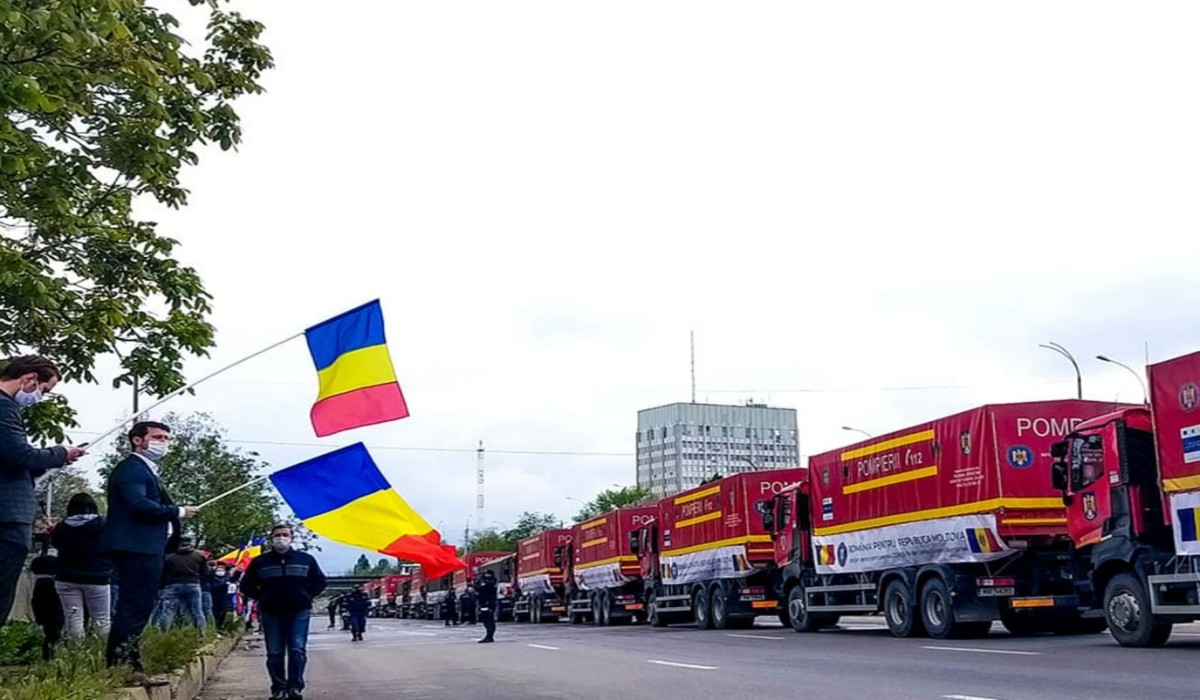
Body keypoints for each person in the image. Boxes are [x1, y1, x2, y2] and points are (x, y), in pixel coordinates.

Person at [100, 420, 199, 671]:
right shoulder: (131, 469)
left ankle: (127, 660)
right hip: (136, 547)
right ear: (137, 440)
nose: (163, 443)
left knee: (139, 605)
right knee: (135, 605)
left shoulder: (145, 470)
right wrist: (179, 511)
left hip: (146, 547)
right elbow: (138, 505)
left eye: (166, 438)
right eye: (158, 437)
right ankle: (122, 663)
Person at [0, 355, 86, 627]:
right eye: (44, 390)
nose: (40, 396)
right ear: (29, 379)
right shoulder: (4, 408)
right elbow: (19, 455)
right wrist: (60, 453)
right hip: (7, 517)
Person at [239, 524, 326, 700]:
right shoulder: (260, 562)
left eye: (285, 534)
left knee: (297, 649)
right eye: (277, 535)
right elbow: (246, 585)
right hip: (271, 611)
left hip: (298, 611)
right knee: (275, 652)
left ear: (292, 537)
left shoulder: (305, 559)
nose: (281, 538)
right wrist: (262, 597)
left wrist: (306, 595)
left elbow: (320, 581)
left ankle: (295, 687)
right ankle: (278, 688)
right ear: (272, 538)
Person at [51, 493, 113, 637]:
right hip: (97, 577)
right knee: (101, 619)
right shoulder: (103, 524)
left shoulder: (61, 526)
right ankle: (102, 652)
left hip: (66, 577)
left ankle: (75, 651)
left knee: (73, 618)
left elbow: (57, 544)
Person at [154, 536, 207, 632]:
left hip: (172, 585)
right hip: (193, 585)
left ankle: (163, 634)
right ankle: (201, 633)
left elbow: (162, 574)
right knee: (197, 611)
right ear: (190, 542)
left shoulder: (169, 556)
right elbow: (204, 573)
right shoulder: (200, 555)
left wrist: (161, 587)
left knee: (168, 611)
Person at [29, 553, 64, 660]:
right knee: (54, 636)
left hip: (43, 615)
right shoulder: (49, 583)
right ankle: (50, 657)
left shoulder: (38, 583)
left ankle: (48, 657)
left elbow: (35, 601)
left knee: (49, 635)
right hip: (54, 614)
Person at [476, 570, 498, 643]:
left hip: (487, 603)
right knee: (486, 618)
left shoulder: (489, 582)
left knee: (487, 619)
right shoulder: (489, 581)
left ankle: (489, 635)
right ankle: (489, 635)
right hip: (485, 602)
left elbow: (480, 588)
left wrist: (480, 582)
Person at [210, 563, 233, 629]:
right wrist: (223, 585)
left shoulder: (227, 577)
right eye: (218, 569)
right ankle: (215, 627)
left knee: (224, 613)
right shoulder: (213, 578)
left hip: (225, 599)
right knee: (215, 613)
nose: (220, 571)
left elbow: (233, 580)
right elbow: (213, 587)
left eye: (222, 569)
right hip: (215, 598)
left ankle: (220, 627)